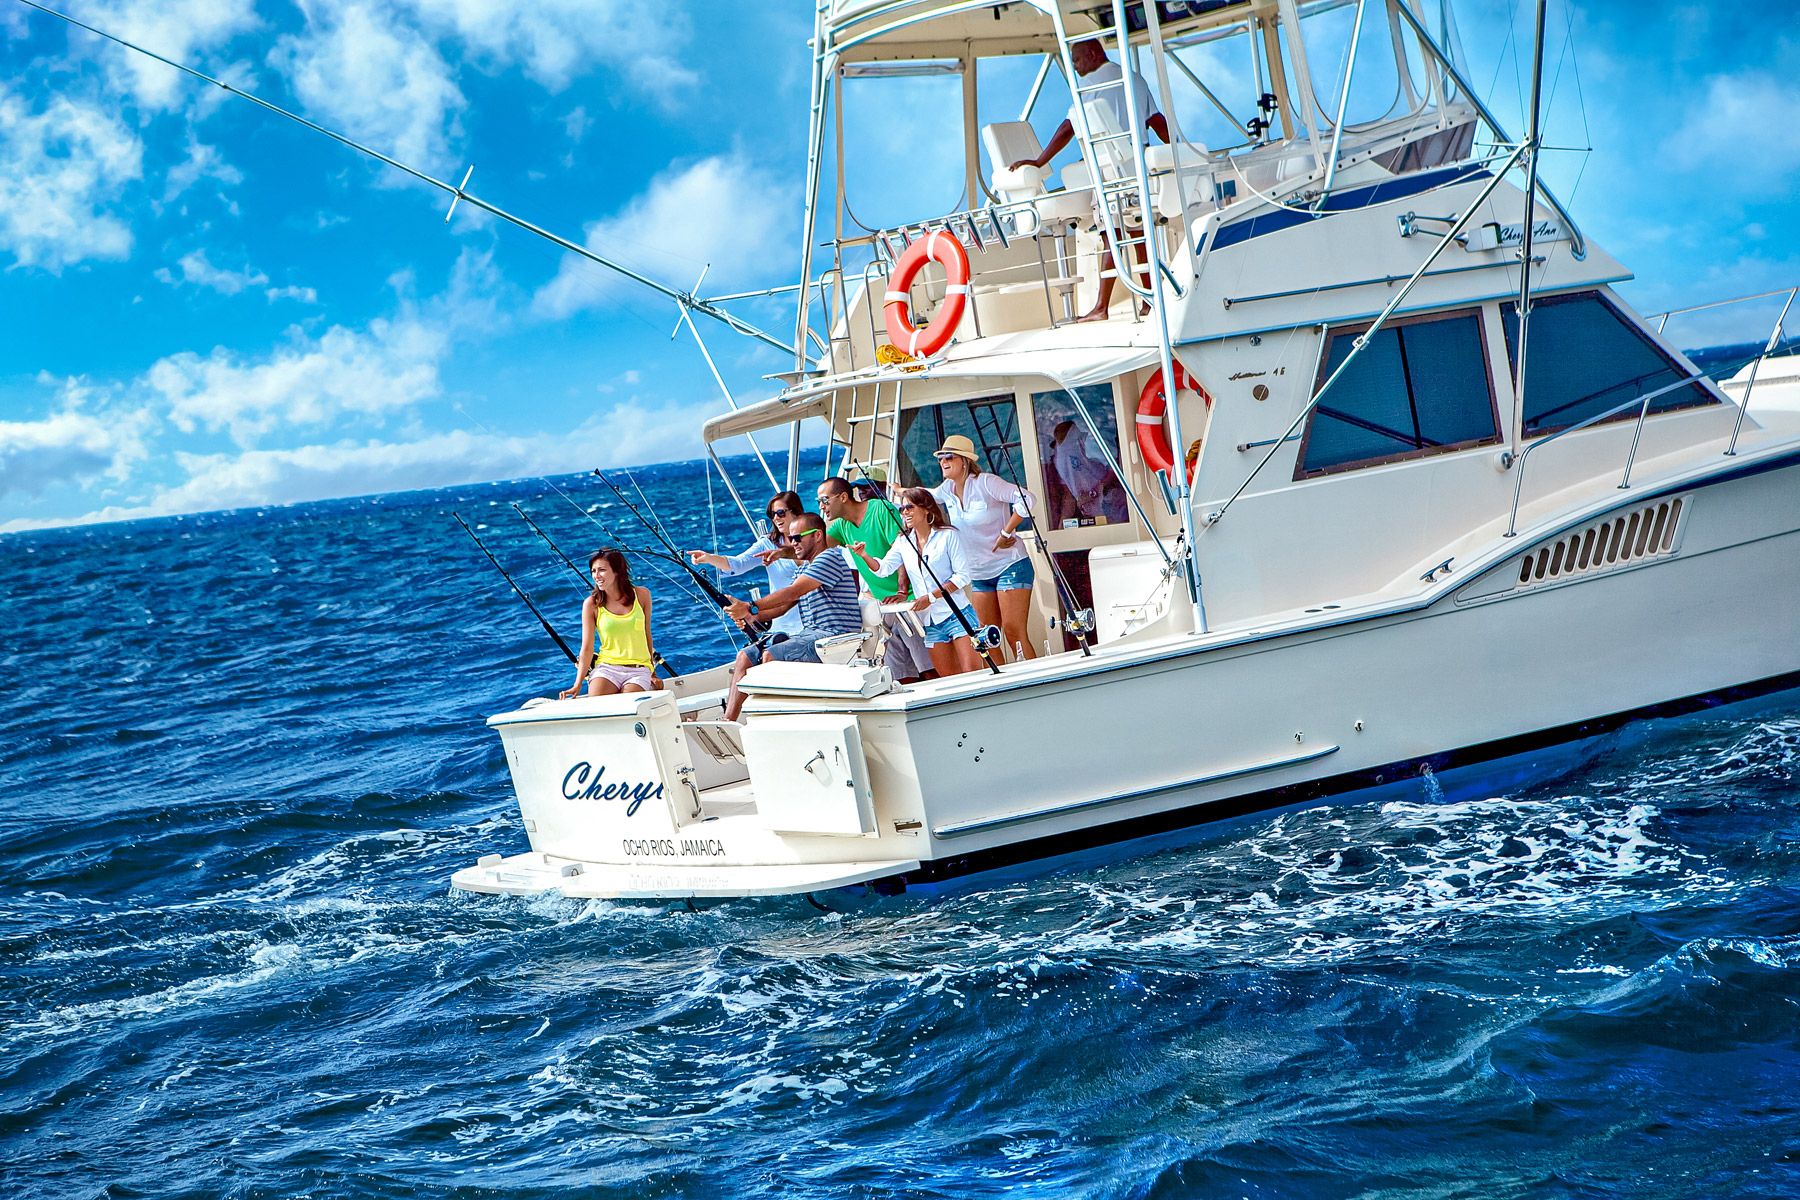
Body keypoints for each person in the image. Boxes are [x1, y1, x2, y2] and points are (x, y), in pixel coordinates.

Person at [1008, 37, 1170, 322]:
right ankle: (1149, 300)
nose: (1074, 65)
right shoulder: (1134, 79)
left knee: (1111, 236)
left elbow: (1069, 127)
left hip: (1109, 174)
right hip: (1137, 169)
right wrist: (1175, 153)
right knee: (1138, 234)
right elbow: (1155, 121)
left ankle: (1101, 308)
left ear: (1094, 54)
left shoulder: (1089, 86)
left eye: (1077, 59)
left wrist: (1040, 161)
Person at [720, 513, 863, 722]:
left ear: (817, 536)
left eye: (797, 538)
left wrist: (750, 606)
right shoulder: (806, 567)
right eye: (790, 538)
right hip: (810, 635)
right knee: (746, 656)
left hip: (835, 636)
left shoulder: (829, 558)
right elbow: (783, 607)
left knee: (771, 656)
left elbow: (793, 592)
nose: (792, 543)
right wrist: (751, 617)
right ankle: (728, 722)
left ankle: (780, 721)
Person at [849, 488, 981, 678]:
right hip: (929, 621)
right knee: (948, 679)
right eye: (902, 509)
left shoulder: (948, 535)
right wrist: (864, 555)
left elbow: (962, 576)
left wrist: (930, 597)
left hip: (957, 614)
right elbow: (884, 568)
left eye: (910, 507)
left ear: (926, 509)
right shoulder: (903, 541)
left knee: (972, 673)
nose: (905, 513)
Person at [929, 435, 1038, 661]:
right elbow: (923, 497)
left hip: (1010, 564)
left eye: (949, 457)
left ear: (965, 461)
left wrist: (1006, 532)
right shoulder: (946, 489)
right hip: (979, 572)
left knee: (1013, 632)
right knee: (987, 636)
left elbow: (1027, 498)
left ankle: (1032, 682)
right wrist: (899, 492)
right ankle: (1004, 686)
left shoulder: (986, 482)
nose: (943, 462)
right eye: (941, 458)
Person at [817, 475, 934, 683]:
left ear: (843, 497)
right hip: (886, 607)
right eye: (819, 502)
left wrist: (901, 592)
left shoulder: (880, 508)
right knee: (901, 674)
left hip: (909, 602)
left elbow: (901, 550)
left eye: (825, 500)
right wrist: (783, 551)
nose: (822, 506)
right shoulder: (840, 526)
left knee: (927, 668)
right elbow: (814, 546)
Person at [686, 491, 806, 635]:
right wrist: (708, 557)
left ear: (796, 512)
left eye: (780, 513)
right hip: (783, 622)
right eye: (772, 514)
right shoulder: (767, 543)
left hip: (815, 619)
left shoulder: (813, 540)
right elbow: (738, 564)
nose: (776, 518)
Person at [560, 547, 658, 698]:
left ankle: (652, 685)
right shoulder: (591, 604)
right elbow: (586, 648)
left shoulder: (642, 595)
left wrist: (653, 672)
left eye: (602, 570)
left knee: (628, 703)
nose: (596, 576)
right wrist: (577, 684)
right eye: (593, 571)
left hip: (638, 670)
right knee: (598, 703)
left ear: (617, 571)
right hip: (606, 668)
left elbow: (646, 634)